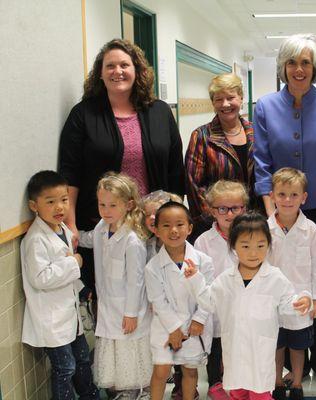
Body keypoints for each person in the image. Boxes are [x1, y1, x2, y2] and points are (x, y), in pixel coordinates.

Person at [59, 38, 185, 294]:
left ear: (137, 70)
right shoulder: (83, 115)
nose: (118, 71)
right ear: (100, 73)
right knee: (111, 294)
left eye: (125, 65)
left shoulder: (159, 112)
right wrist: (70, 223)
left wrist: (173, 217)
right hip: (105, 225)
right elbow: (69, 174)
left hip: (152, 224)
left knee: (156, 292)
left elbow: (175, 169)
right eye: (110, 66)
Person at [183, 212, 312, 400]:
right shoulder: (226, 278)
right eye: (245, 246)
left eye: (260, 246)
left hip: (261, 351)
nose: (253, 253)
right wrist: (196, 279)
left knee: (260, 393)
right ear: (233, 246)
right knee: (237, 392)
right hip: (234, 351)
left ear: (268, 245)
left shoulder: (274, 277)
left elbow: (288, 305)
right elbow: (208, 301)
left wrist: (303, 300)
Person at [253, 33, 316, 234]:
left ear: (314, 67)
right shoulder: (265, 106)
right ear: (283, 67)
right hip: (279, 208)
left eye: (305, 62)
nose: (298, 69)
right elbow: (262, 162)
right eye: (291, 62)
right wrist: (271, 213)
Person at [21, 170, 99, 400]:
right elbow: (41, 278)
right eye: (51, 202)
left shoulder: (62, 228)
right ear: (34, 206)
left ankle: (90, 396)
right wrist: (73, 262)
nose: (60, 208)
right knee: (65, 368)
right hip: (52, 318)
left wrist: (83, 288)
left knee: (83, 358)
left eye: (64, 200)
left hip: (69, 314)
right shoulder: (35, 239)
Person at [77, 172, 152, 398]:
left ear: (128, 205)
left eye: (112, 205)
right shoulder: (102, 227)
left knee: (130, 350)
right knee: (113, 349)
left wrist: (131, 313)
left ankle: (137, 389)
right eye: (102, 204)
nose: (106, 210)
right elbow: (89, 239)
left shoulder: (132, 239)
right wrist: (73, 236)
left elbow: (136, 281)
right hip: (108, 304)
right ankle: (120, 389)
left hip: (129, 308)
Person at [144, 201, 215, 400]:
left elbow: (209, 295)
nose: (173, 230)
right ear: (156, 230)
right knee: (161, 372)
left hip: (194, 327)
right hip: (165, 327)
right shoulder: (153, 267)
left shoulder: (204, 261)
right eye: (166, 225)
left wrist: (199, 319)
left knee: (190, 371)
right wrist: (174, 329)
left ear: (189, 228)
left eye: (179, 224)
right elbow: (158, 301)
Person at [266, 168, 316, 400]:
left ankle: (298, 382)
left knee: (298, 346)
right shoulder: (265, 227)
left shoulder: (311, 229)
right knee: (277, 345)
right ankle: (278, 381)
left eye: (293, 194)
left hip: (302, 299)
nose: (287, 200)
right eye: (281, 194)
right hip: (272, 299)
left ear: (304, 197)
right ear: (272, 195)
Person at [193, 180, 249, 400]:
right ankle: (216, 388)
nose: (230, 214)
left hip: (244, 312)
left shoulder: (251, 237)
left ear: (244, 208)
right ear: (210, 210)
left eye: (236, 208)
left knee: (241, 355)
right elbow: (200, 282)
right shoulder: (203, 242)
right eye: (222, 209)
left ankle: (240, 390)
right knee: (216, 355)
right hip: (215, 313)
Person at [185, 73, 255, 239]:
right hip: (216, 226)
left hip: (254, 221)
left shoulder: (256, 132)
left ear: (241, 98)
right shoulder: (201, 136)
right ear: (213, 103)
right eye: (218, 99)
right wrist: (218, 219)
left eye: (231, 97)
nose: (225, 104)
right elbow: (194, 185)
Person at [142, 190, 183, 261]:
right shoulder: (145, 246)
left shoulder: (183, 246)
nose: (151, 217)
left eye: (156, 213)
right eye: (147, 215)